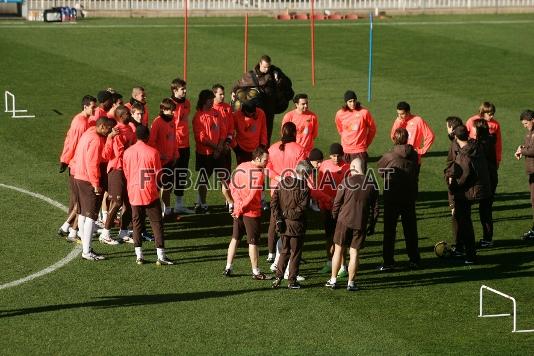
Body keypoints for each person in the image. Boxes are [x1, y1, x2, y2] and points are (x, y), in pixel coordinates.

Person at [123, 125, 174, 265]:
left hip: (133, 192)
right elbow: (158, 174)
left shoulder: (127, 152)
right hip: (149, 192)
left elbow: (126, 173)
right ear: (148, 136)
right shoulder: (153, 152)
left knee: (137, 223)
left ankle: (139, 256)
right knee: (156, 223)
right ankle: (161, 256)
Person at [326, 158, 378, 291]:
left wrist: (334, 218)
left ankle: (333, 280)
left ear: (353, 167)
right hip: (360, 223)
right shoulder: (372, 184)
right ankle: (351, 283)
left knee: (339, 249)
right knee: (354, 253)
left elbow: (337, 203)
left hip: (344, 221)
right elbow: (376, 209)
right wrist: (372, 225)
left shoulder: (346, 181)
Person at [445, 125, 491, 264]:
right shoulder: (476, 146)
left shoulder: (464, 155)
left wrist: (451, 184)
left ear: (456, 137)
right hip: (482, 188)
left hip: (469, 191)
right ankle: (464, 249)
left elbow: (462, 177)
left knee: (464, 222)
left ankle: (469, 254)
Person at [223, 147, 270, 280]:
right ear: (257, 159)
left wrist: (237, 205)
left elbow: (232, 187)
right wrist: (240, 208)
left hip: (239, 211)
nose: (267, 162)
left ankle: (228, 267)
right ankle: (256, 272)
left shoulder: (241, 166)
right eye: (265, 160)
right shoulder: (259, 174)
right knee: (253, 243)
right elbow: (251, 196)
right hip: (251, 212)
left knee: (235, 238)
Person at [71, 117, 114, 261]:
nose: (109, 131)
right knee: (90, 216)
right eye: (108, 128)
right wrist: (96, 184)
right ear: (102, 126)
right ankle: (86, 251)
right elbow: (93, 163)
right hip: (88, 180)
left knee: (83, 214)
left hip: (78, 176)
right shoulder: (96, 140)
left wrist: (108, 138)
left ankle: (86, 247)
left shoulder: (90, 132)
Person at [377, 128, 420, 270]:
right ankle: (414, 259)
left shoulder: (389, 156)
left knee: (389, 230)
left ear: (394, 139)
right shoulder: (414, 155)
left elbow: (380, 170)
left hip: (392, 197)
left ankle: (388, 261)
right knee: (410, 229)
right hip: (409, 196)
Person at [266, 122, 306, 263]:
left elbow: (267, 169)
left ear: (282, 133)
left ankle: (271, 253)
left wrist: (279, 178)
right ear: (295, 133)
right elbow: (301, 171)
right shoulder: (299, 149)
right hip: (293, 191)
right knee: (292, 220)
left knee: (274, 221)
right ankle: (292, 253)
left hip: (276, 188)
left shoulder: (272, 148)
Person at [58, 95, 96, 241]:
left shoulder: (85, 120)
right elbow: (72, 142)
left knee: (77, 200)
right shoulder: (80, 123)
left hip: (77, 163)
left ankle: (69, 228)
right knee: (77, 200)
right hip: (77, 165)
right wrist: (65, 160)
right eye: (93, 106)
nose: (95, 108)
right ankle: (70, 229)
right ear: (85, 106)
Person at [233, 54, 293, 144]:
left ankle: (265, 153)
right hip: (257, 111)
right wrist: (234, 93)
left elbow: (288, 83)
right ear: (260, 64)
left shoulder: (275, 72)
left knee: (267, 136)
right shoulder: (251, 75)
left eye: (268, 67)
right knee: (256, 134)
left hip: (270, 109)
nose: (267, 69)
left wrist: (280, 79)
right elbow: (238, 86)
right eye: (265, 67)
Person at [271, 160, 313, 289]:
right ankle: (292, 281)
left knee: (284, 251)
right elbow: (301, 210)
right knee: (295, 254)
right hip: (296, 226)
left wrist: (279, 218)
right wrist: (286, 214)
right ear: (306, 174)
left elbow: (274, 203)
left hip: (283, 225)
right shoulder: (304, 188)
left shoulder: (282, 183)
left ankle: (278, 277)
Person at [99, 105, 136, 245]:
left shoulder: (130, 129)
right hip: (117, 170)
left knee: (129, 202)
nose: (130, 114)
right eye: (127, 113)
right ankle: (105, 233)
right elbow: (122, 152)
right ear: (120, 116)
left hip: (127, 170)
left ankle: (123, 232)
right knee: (117, 202)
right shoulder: (117, 131)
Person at [317, 143, 350, 275]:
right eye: (334, 155)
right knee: (329, 237)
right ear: (330, 155)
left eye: (338, 155)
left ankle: (343, 266)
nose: (336, 158)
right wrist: (321, 203)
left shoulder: (347, 168)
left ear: (342, 155)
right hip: (326, 207)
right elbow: (319, 185)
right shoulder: (324, 165)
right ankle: (329, 263)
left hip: (341, 209)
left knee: (341, 239)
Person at [192, 89, 226, 214]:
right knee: (203, 180)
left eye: (213, 99)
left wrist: (220, 146)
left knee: (224, 178)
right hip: (204, 154)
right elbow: (201, 138)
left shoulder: (216, 113)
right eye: (210, 99)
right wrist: (217, 148)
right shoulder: (198, 117)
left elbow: (223, 131)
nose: (213, 101)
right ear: (204, 101)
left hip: (218, 151)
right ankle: (203, 203)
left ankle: (230, 202)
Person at [149, 98, 178, 218]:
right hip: (160, 162)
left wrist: (176, 154)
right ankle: (155, 211)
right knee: (156, 188)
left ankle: (167, 210)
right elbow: (152, 142)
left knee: (168, 186)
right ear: (163, 109)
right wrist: (160, 155)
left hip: (171, 160)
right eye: (171, 110)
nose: (173, 113)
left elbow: (174, 139)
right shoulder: (157, 122)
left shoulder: (172, 120)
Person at [334, 90, 376, 172]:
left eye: (354, 101)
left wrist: (365, 144)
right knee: (345, 177)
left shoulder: (364, 113)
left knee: (360, 179)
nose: (352, 103)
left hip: (359, 151)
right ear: (346, 102)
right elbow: (340, 129)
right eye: (350, 101)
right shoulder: (340, 114)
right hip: (345, 151)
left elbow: (372, 129)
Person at [170, 78, 194, 214]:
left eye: (185, 88)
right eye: (182, 89)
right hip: (172, 145)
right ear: (174, 90)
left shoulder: (187, 103)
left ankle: (179, 204)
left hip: (185, 145)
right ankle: (165, 207)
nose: (185, 91)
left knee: (181, 174)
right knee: (168, 175)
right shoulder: (169, 104)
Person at [473, 119, 498, 247]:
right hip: (492, 177)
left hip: (487, 180)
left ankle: (488, 239)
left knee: (485, 210)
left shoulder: (481, 144)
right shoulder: (489, 140)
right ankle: (487, 238)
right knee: (485, 209)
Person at [390, 101, 435, 166]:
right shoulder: (398, 120)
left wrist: (422, 150)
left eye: (402, 114)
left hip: (413, 158)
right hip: (399, 157)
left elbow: (430, 136)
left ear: (408, 112)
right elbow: (393, 137)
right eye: (398, 114)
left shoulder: (418, 120)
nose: (400, 116)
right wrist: (399, 122)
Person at [445, 116, 464, 254]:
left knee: (457, 215)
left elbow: (455, 164)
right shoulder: (458, 142)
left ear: (451, 128)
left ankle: (459, 247)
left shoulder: (455, 145)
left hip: (457, 184)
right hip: (459, 183)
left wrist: (450, 175)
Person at [514, 110, 534, 241]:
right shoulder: (530, 133)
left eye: (526, 123)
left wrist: (523, 150)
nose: (525, 126)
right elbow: (528, 147)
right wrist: (521, 148)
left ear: (533, 120)